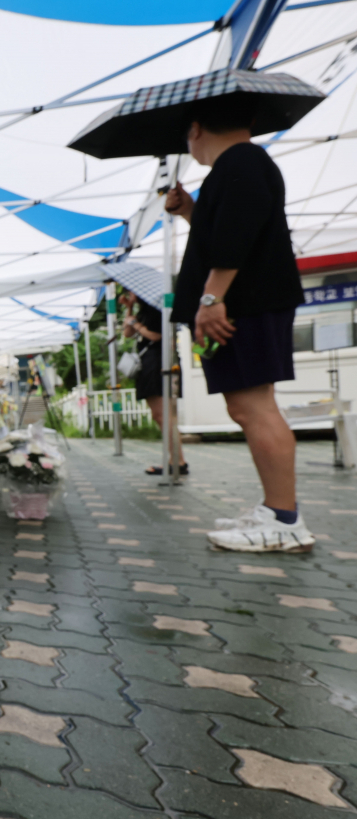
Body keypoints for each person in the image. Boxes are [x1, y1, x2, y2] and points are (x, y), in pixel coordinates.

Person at [167, 94, 311, 552]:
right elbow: (227, 230)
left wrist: (212, 298)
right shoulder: (238, 166)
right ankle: (276, 510)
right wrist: (191, 210)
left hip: (242, 305)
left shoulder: (242, 163)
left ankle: (285, 519)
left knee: (254, 407)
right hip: (242, 304)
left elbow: (237, 236)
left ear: (194, 130)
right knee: (249, 406)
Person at [120, 290, 186, 474]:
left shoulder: (158, 310)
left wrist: (136, 324)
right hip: (150, 363)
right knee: (162, 415)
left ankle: (177, 461)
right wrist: (129, 308)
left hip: (159, 362)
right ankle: (176, 459)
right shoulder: (141, 311)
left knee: (163, 414)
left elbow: (156, 335)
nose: (128, 293)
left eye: (130, 291)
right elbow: (127, 333)